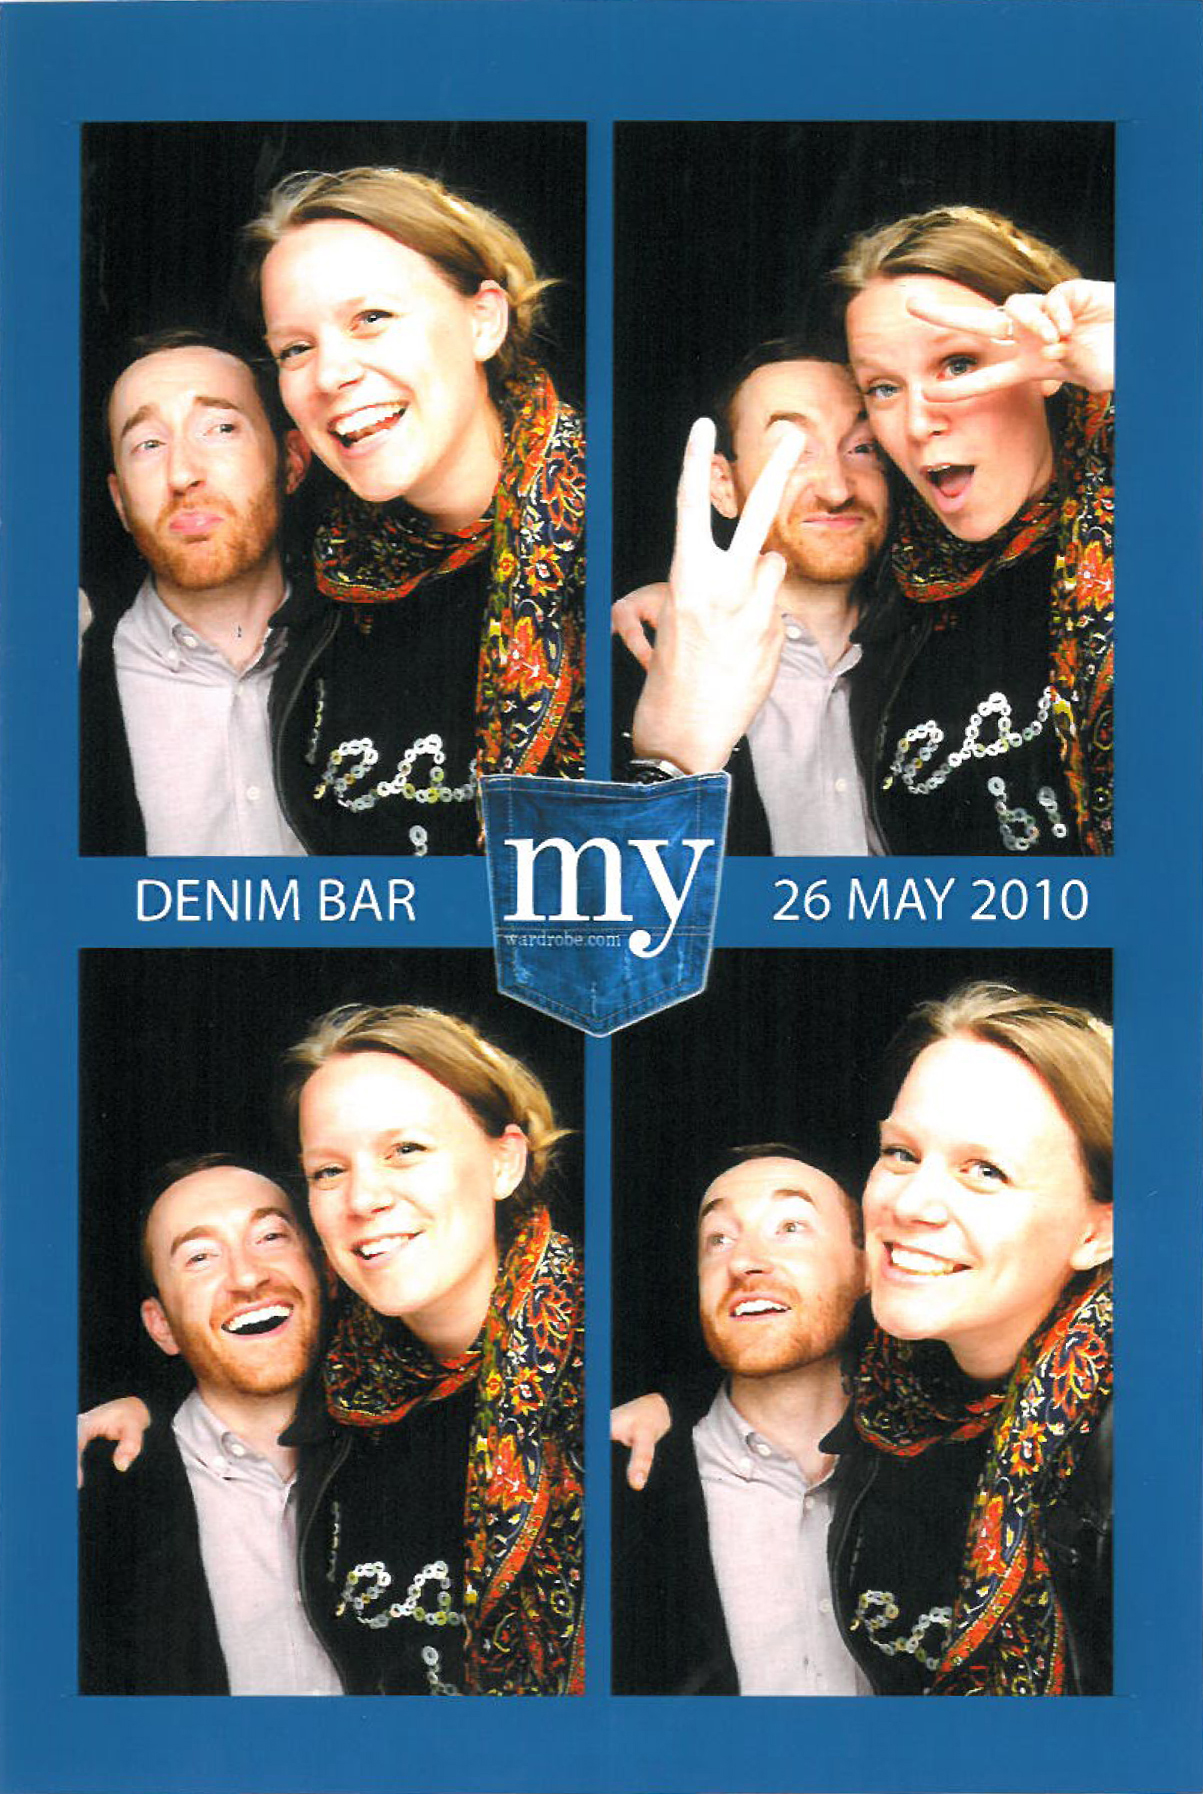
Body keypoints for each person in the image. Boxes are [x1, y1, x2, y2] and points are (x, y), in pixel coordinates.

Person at [244, 166, 586, 857]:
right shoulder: (328, 580)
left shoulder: (630, 550)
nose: (330, 374)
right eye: (295, 349)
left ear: (483, 321)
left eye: (371, 319)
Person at [285, 1003, 584, 1695]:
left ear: (505, 1162)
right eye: (327, 1171)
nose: (363, 1198)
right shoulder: (336, 1387)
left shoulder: (608, 1364)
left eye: (406, 1150)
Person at [830, 982, 1113, 1695]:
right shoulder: (891, 1386)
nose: (910, 1203)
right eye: (900, 1153)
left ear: (1098, 1232)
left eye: (985, 1171)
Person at [837, 206, 1114, 856]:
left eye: (957, 365)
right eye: (882, 388)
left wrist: (1165, 366)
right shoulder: (894, 592)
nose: (917, 423)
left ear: (1051, 364)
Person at [613, 1146, 871, 1695]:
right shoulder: (626, 1487)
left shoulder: (941, 1465)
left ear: (866, 1268)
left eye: (790, 1227)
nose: (744, 1262)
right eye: (719, 1239)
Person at [78, 1157, 341, 1694]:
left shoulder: (412, 1454)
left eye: (270, 1237)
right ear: (162, 1326)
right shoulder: (101, 1502)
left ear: (325, 1272)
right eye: (200, 1257)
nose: (247, 1277)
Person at [616, 341, 889, 854]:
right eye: (793, 451)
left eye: (863, 447)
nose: (837, 489)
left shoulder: (942, 647)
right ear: (723, 485)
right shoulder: (639, 659)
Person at [82, 328, 312, 855]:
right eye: (148, 444)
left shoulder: (378, 654)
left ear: (292, 462)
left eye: (220, 428)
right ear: (120, 501)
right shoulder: (66, 687)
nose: (182, 473)